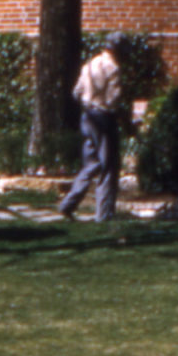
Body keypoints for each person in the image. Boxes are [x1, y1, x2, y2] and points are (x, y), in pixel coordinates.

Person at [59, 40, 125, 221]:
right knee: (108, 166)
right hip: (104, 120)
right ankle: (104, 214)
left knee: (91, 164)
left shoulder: (89, 64)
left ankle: (68, 204)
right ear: (117, 50)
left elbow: (76, 91)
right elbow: (114, 100)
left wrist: (88, 102)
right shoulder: (114, 69)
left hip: (87, 118)